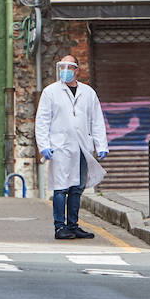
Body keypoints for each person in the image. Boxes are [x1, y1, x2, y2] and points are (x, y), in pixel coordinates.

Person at [36, 55, 107, 240]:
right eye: (62, 66)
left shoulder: (88, 93)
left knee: (77, 187)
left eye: (69, 67)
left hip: (82, 147)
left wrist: (101, 144)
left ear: (77, 70)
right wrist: (44, 145)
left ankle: (73, 225)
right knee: (60, 188)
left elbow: (96, 120)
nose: (65, 70)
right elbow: (42, 120)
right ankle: (60, 227)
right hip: (60, 147)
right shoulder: (50, 92)